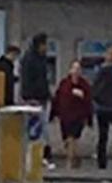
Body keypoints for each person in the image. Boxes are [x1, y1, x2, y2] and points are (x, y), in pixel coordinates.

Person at [19, 34, 54, 166]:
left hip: (40, 97)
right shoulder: (31, 59)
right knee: (36, 129)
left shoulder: (39, 59)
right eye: (45, 44)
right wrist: (29, 96)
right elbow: (28, 80)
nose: (46, 47)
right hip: (34, 99)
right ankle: (38, 155)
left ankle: (40, 155)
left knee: (40, 128)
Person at [52, 61, 93, 169]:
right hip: (65, 116)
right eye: (74, 68)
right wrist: (54, 113)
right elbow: (57, 98)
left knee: (72, 137)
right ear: (70, 70)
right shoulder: (64, 83)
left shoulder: (84, 85)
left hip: (78, 116)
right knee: (67, 140)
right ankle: (75, 157)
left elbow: (88, 101)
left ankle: (69, 162)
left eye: (78, 69)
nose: (76, 71)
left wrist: (89, 118)